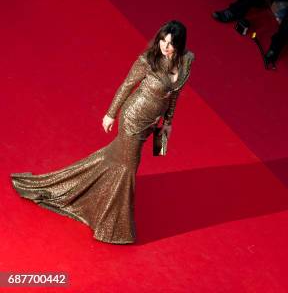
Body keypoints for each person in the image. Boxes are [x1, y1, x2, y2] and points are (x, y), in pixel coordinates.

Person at [10, 21, 195, 244]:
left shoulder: (187, 61)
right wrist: (110, 114)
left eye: (171, 43)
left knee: (113, 159)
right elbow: (126, 86)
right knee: (128, 167)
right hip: (133, 118)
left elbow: (174, 94)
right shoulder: (147, 61)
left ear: (180, 45)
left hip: (151, 124)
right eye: (163, 41)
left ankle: (75, 188)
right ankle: (114, 227)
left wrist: (168, 123)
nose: (165, 47)